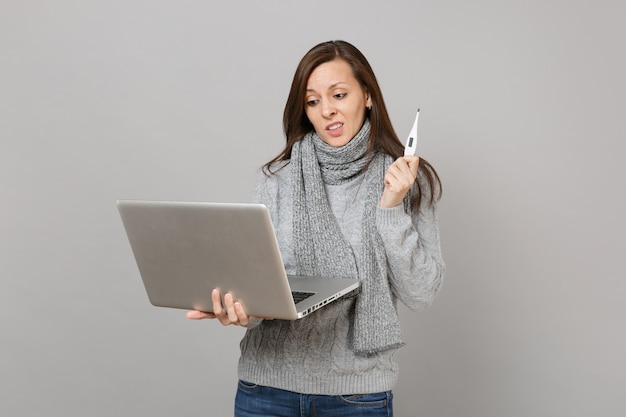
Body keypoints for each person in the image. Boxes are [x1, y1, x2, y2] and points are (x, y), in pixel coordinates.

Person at [186, 40, 445, 416]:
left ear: (367, 95)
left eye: (339, 94)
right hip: (266, 389)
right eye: (312, 101)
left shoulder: (406, 181)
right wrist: (241, 307)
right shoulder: (278, 180)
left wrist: (390, 209)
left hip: (358, 396)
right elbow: (267, 282)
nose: (327, 111)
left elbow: (421, 294)